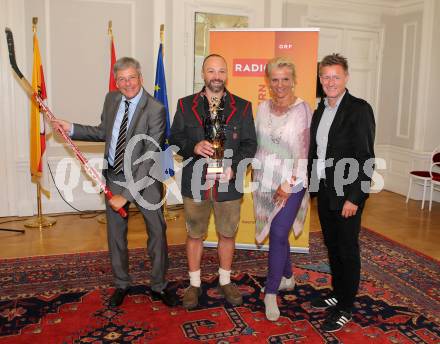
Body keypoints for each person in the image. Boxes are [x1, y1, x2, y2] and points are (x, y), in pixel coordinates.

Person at [54, 57, 178, 308]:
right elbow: (103, 132)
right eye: (121, 79)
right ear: (116, 81)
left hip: (146, 180)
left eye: (132, 77)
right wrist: (73, 128)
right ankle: (121, 284)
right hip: (114, 176)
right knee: (115, 236)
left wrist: (128, 195)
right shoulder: (111, 100)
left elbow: (150, 155)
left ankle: (159, 286)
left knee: (157, 233)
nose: (127, 83)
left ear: (140, 78)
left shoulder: (155, 109)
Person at [169, 54, 257, 309]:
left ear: (226, 74)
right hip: (195, 182)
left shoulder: (243, 106)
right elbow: (175, 139)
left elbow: (250, 144)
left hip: (228, 184)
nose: (216, 76)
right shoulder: (185, 105)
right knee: (195, 234)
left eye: (221, 71)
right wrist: (193, 146)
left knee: (227, 233)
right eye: (211, 71)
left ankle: (225, 280)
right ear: (203, 74)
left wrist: (236, 167)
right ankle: (194, 284)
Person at [308, 53, 376, 332]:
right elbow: (316, 152)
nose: (330, 81)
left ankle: (345, 306)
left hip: (347, 195)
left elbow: (366, 158)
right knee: (333, 246)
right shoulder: (320, 110)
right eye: (325, 77)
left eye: (336, 76)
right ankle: (337, 291)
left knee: (348, 250)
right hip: (324, 191)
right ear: (320, 80)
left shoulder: (359, 109)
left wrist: (355, 198)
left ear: (346, 77)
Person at [252, 57, 312, 321]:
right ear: (268, 81)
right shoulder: (263, 108)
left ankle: (271, 292)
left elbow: (303, 152)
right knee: (280, 233)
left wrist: (288, 184)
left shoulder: (303, 109)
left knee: (277, 232)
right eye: (274, 79)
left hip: (291, 183)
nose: (280, 85)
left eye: (285, 79)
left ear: (293, 80)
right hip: (264, 181)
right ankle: (287, 276)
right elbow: (258, 145)